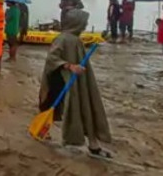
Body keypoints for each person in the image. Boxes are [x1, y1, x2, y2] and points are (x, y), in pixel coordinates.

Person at [38, 8, 112, 158]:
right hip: (59, 79)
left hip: (76, 80)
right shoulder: (63, 39)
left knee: (85, 107)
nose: (85, 26)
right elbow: (52, 58)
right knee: (51, 105)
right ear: (76, 23)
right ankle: (42, 130)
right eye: (83, 23)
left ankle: (93, 144)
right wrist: (70, 66)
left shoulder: (75, 39)